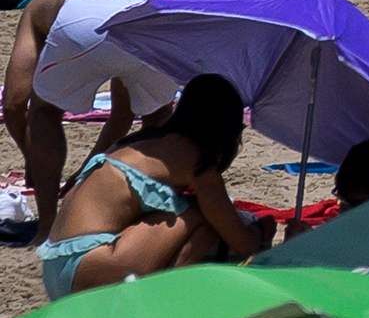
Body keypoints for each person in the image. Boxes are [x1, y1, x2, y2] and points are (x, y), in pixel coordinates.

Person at [33, 73, 272, 298]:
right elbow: (241, 241)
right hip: (91, 267)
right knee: (203, 217)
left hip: (57, 267)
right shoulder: (197, 161)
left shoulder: (140, 142)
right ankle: (167, 300)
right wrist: (262, 230)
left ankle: (166, 295)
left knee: (192, 214)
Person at [6, 0, 163, 198]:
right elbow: (123, 115)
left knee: (44, 110)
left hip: (84, 11)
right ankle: (148, 208)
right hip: (154, 11)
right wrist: (84, 174)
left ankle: (47, 227)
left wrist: (34, 158)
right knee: (158, 112)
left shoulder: (40, 1)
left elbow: (15, 104)